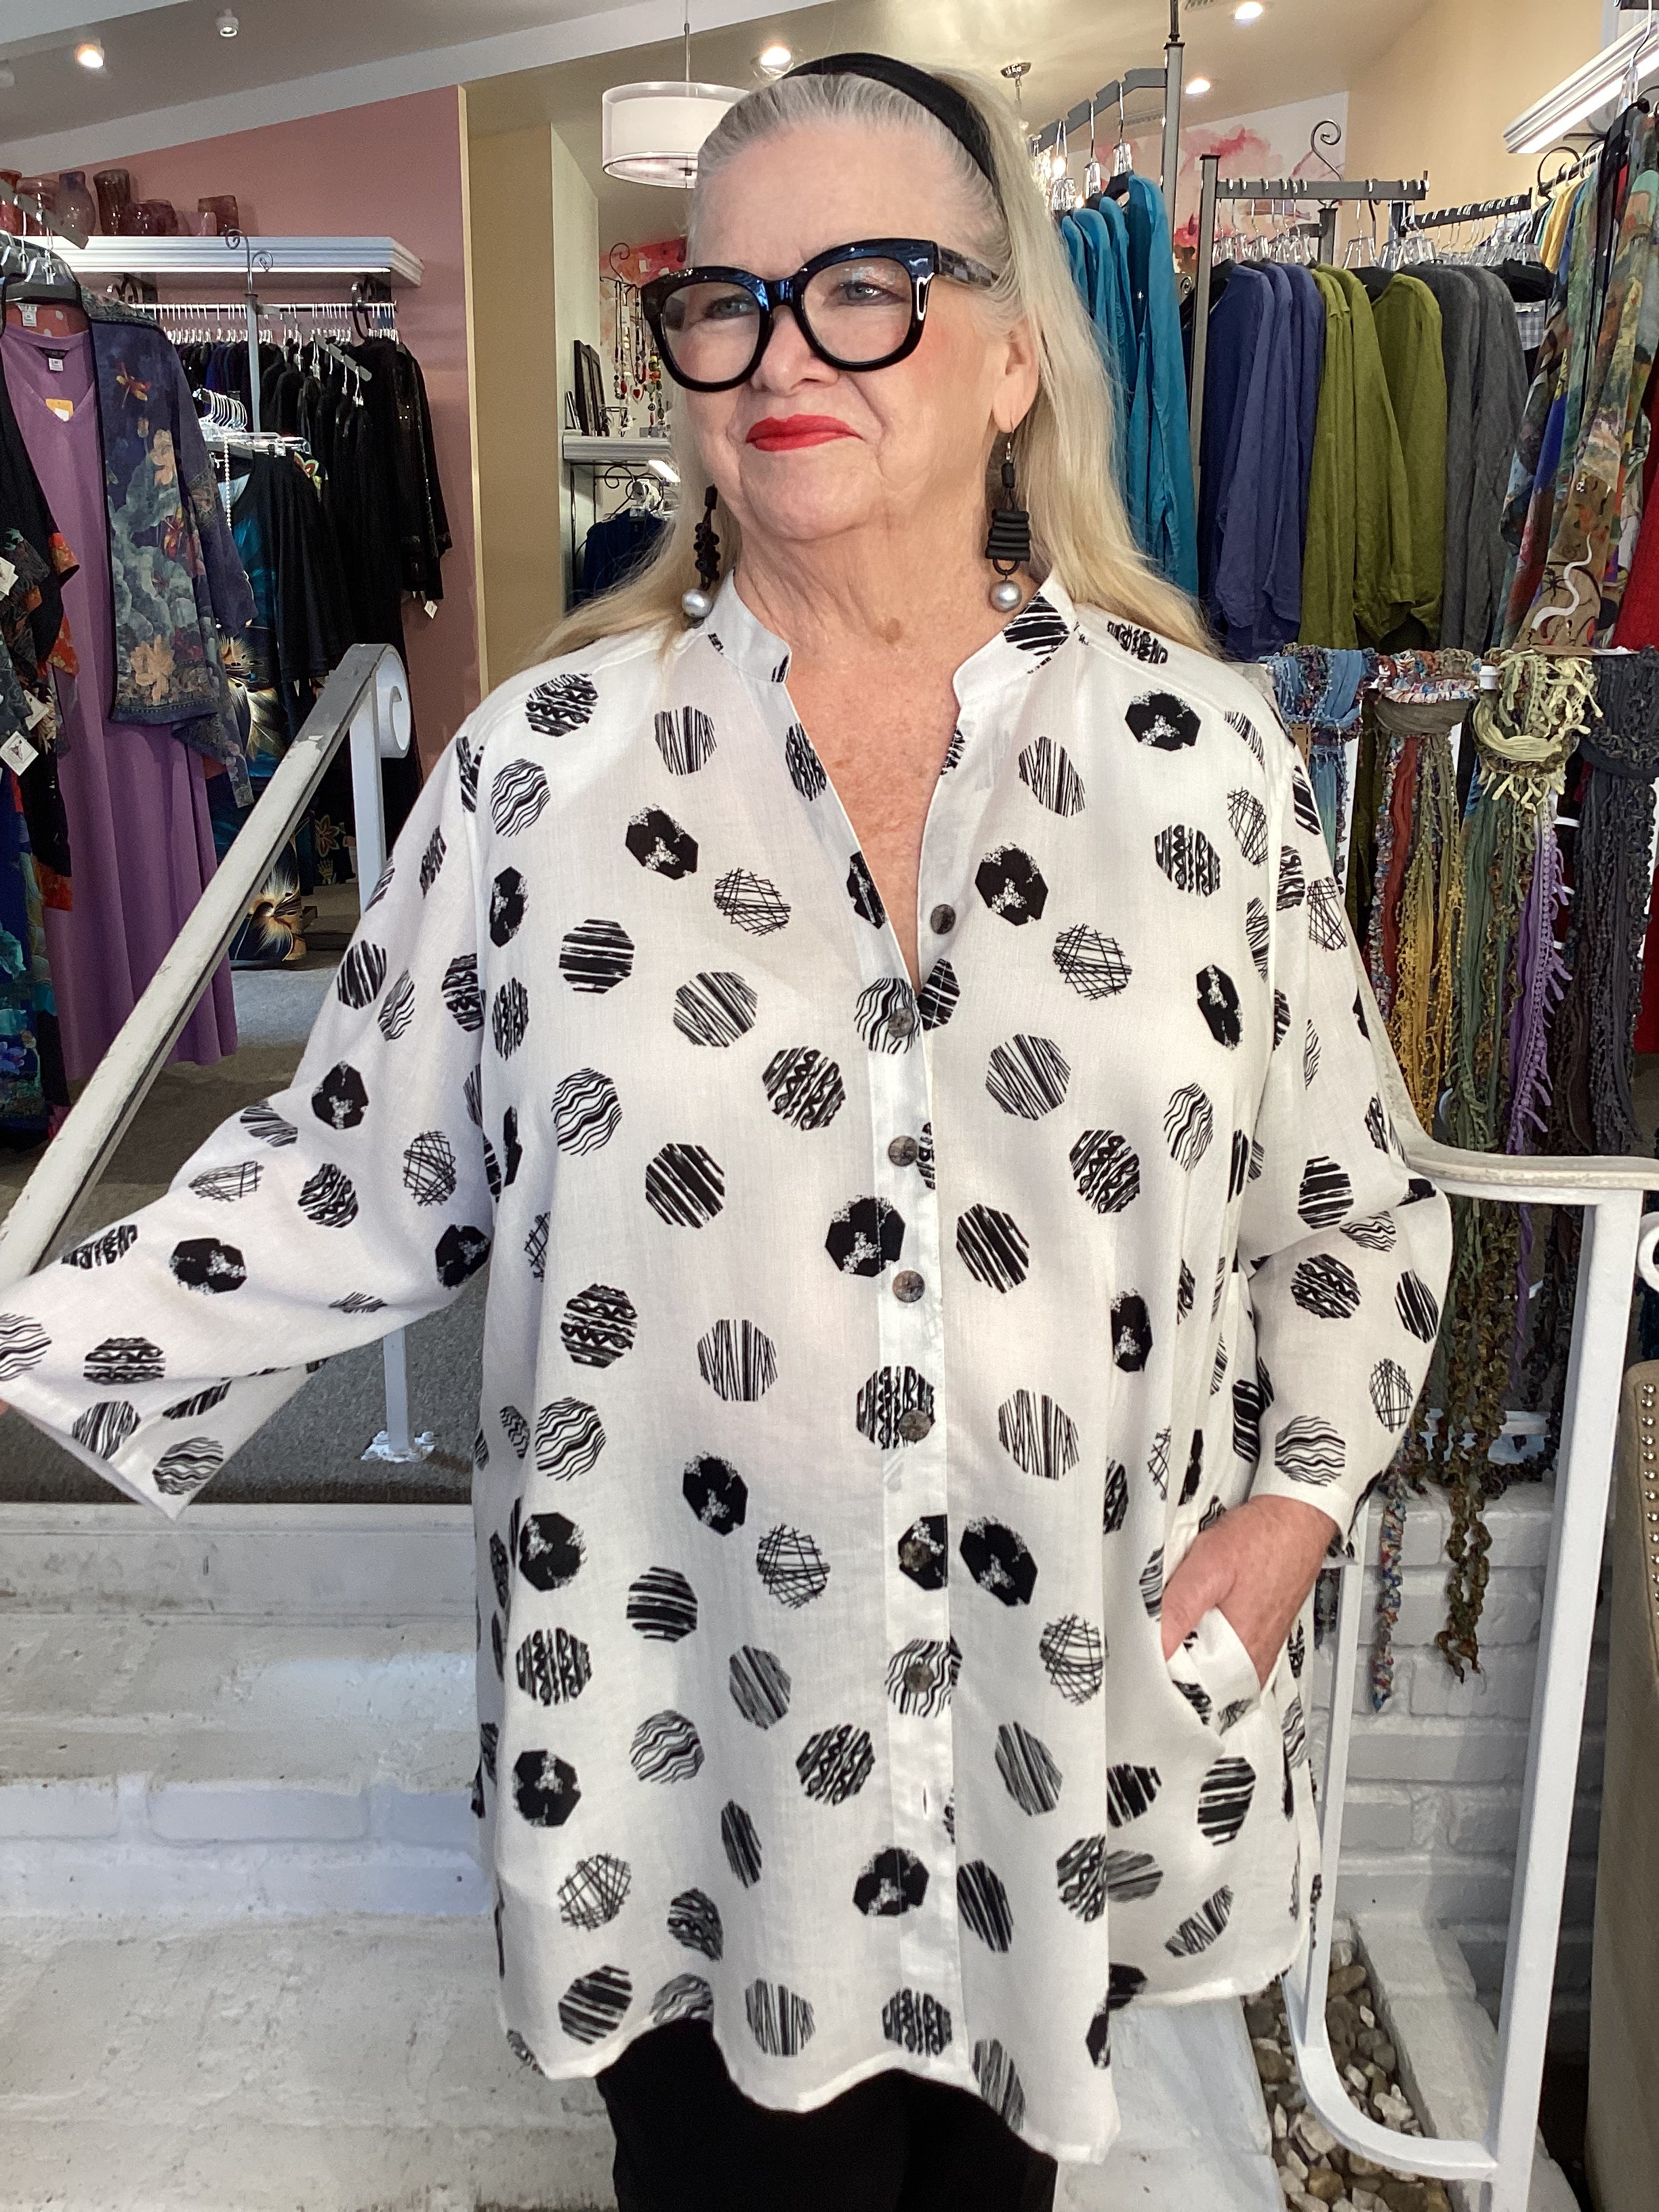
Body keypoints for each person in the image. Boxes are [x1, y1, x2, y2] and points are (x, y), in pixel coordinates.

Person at [0, 55, 1452, 2212]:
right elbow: (346, 1175)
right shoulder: (543, 779)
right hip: (686, 1744)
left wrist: (1301, 1502)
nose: (780, 354)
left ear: (1014, 358)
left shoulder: (1203, 765)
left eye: (865, 285)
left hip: (1053, 1735)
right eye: (725, 299)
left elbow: (1349, 1199)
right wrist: (28, 1339)